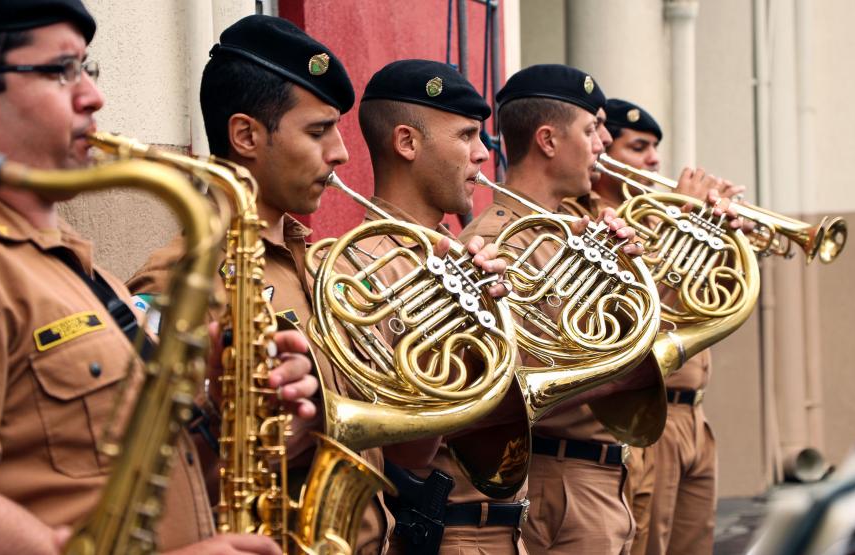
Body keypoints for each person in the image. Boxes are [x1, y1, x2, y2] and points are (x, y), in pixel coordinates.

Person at [0, 3, 316, 554]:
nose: (93, 96)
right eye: (61, 70)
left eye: (88, 68)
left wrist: (226, 417)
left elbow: (129, 484)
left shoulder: (75, 266)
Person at [125, 15, 397, 554]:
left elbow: (409, 450)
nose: (341, 152)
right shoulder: (179, 279)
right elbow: (161, 476)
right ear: (246, 136)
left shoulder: (320, 265)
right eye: (318, 132)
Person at [462, 64, 653, 555]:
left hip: (605, 473)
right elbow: (510, 383)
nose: (604, 142)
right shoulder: (495, 242)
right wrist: (617, 368)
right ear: (547, 140)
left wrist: (631, 273)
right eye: (591, 130)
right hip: (560, 480)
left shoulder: (575, 228)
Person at [349, 59, 525, 554]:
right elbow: (404, 451)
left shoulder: (461, 256)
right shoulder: (359, 268)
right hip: (445, 531)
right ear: (407, 143)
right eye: (467, 135)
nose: (483, 154)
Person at [596, 99, 740, 555]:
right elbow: (643, 311)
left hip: (695, 415)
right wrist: (679, 219)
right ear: (604, 154)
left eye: (655, 148)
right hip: (652, 415)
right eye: (638, 147)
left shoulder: (655, 216)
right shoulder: (603, 222)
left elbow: (706, 303)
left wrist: (719, 238)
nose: (654, 160)